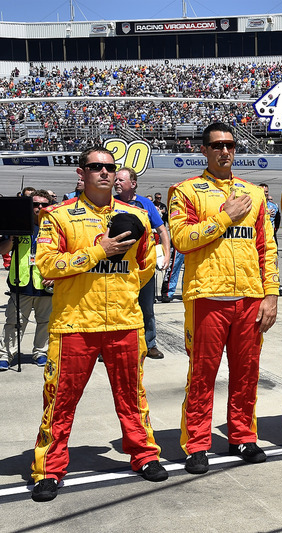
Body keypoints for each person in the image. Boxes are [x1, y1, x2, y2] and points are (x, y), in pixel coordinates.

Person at [30, 147, 167, 502]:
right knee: (59, 401)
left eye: (109, 168)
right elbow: (46, 266)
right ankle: (49, 469)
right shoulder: (58, 216)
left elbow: (145, 266)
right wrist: (97, 252)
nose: (104, 173)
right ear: (82, 172)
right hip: (74, 323)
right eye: (96, 167)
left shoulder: (135, 214)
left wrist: (120, 290)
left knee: (133, 398)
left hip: (123, 321)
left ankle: (144, 454)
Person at [169, 122, 279, 474]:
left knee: (247, 373)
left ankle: (243, 435)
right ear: (204, 150)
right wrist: (223, 217)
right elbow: (182, 240)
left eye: (230, 145)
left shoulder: (254, 194)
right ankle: (197, 444)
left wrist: (271, 294)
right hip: (207, 296)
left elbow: (267, 247)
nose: (224, 151)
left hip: (249, 297)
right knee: (202, 374)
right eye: (217, 145)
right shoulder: (185, 191)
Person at [114, 167, 170, 360]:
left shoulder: (145, 204)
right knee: (117, 306)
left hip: (143, 266)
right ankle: (112, 345)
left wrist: (166, 254)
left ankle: (150, 344)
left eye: (121, 180)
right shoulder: (109, 203)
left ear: (133, 183)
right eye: (116, 180)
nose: (117, 183)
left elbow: (162, 230)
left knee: (146, 307)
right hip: (118, 267)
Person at [0, 191, 53, 370]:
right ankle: (6, 354)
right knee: (14, 322)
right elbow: (2, 250)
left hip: (45, 284)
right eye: (35, 204)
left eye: (44, 205)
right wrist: (12, 239)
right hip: (20, 282)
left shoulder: (54, 227)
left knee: (45, 322)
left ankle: (41, 352)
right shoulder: (17, 225)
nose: (39, 208)